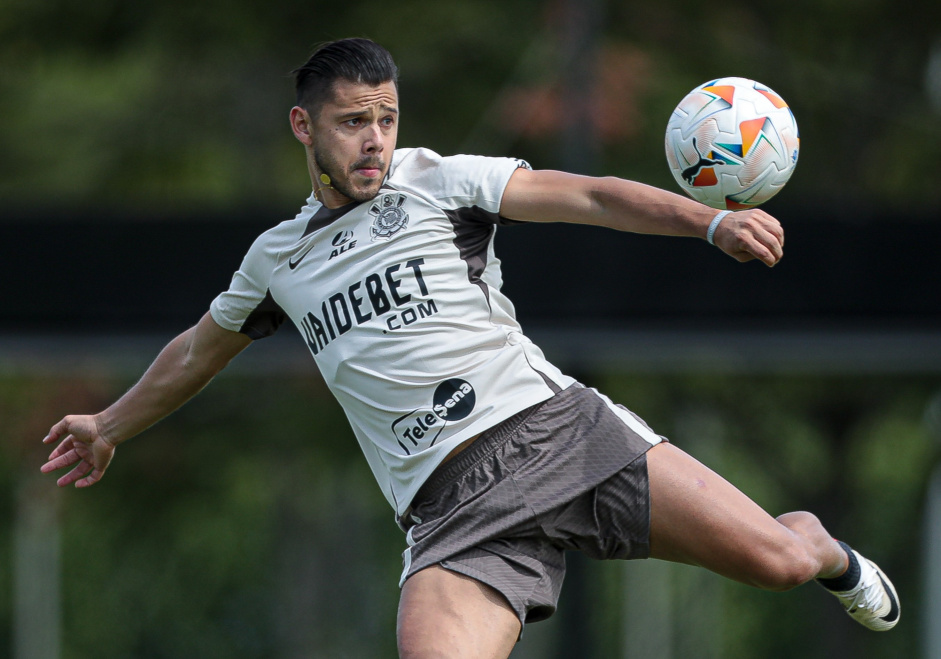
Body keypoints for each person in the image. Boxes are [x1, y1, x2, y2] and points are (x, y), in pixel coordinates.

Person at [41, 38, 899, 658]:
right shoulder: (277, 259)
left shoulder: (436, 181)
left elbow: (591, 194)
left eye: (385, 118)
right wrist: (111, 424)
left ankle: (820, 544)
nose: (374, 139)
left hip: (559, 435)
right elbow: (198, 350)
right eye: (351, 122)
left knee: (778, 562)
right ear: (303, 126)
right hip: (450, 512)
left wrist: (707, 221)